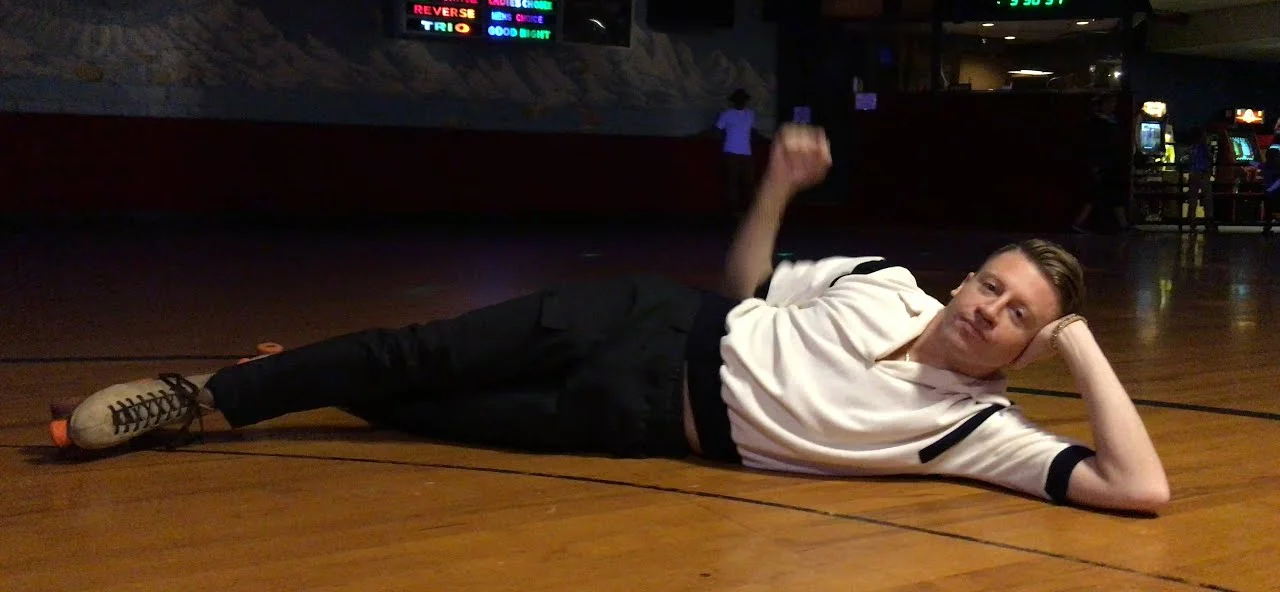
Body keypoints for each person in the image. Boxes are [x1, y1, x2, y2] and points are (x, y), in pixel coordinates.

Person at [52, 124, 1169, 514]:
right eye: (988, 285)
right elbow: (745, 285)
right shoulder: (883, 280)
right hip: (642, 319)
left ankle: (299, 370)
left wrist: (1080, 343)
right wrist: (777, 190)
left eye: (1017, 314)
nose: (985, 309)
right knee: (423, 351)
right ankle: (198, 399)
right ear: (962, 279)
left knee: (429, 411)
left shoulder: (977, 431)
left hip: (637, 422)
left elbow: (1137, 490)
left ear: (1031, 343)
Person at [1072, 95, 1131, 233]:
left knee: (1107, 195)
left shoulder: (1110, 122)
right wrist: (1096, 165)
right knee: (1097, 195)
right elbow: (1093, 146)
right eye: (1109, 103)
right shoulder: (1097, 124)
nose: (1112, 106)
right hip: (1104, 165)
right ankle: (1079, 223)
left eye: (1113, 103)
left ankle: (1080, 223)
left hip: (1111, 165)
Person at [715, 88, 757, 216]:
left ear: (745, 100)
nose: (741, 101)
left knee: (748, 182)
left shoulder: (750, 114)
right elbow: (717, 129)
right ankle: (732, 211)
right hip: (731, 152)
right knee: (732, 183)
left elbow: (751, 131)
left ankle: (749, 211)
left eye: (742, 99)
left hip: (746, 153)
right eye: (738, 99)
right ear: (734, 101)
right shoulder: (727, 114)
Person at [1185, 127, 1217, 232]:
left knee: (1193, 198)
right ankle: (1208, 220)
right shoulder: (1203, 146)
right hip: (1203, 173)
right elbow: (1209, 156)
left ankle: (1191, 220)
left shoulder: (1192, 147)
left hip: (1193, 173)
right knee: (1207, 197)